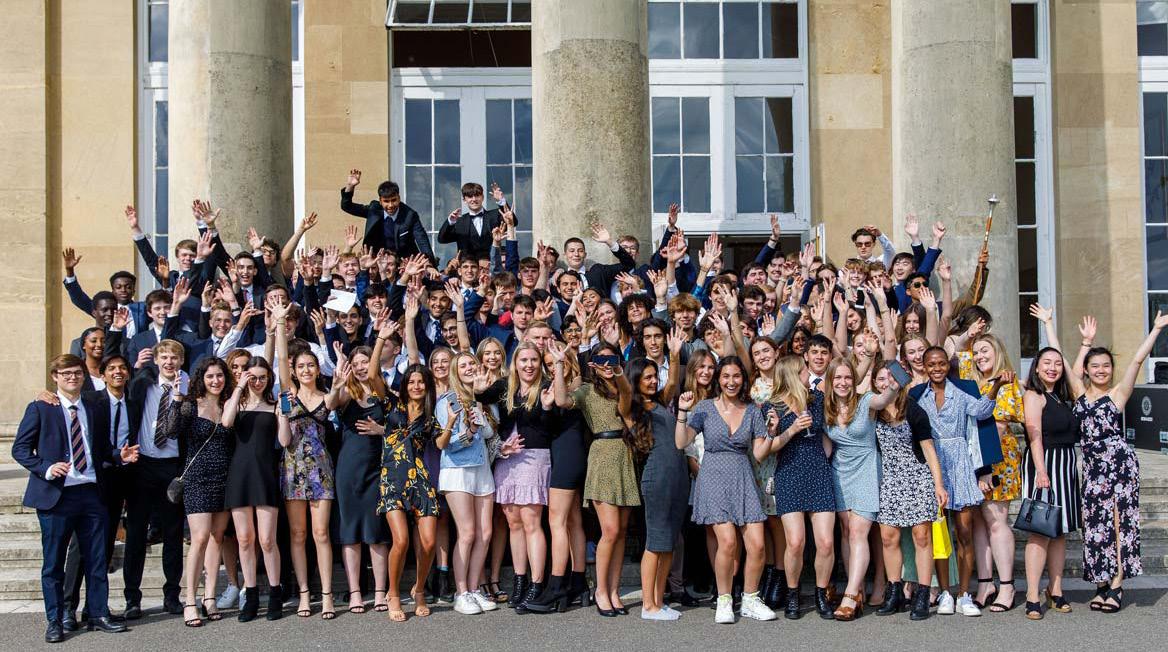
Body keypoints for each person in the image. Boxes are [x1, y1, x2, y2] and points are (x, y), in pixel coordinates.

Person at [12, 354, 135, 642]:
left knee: (97, 559)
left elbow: (101, 448)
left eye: (77, 373)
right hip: (57, 496)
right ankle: (56, 620)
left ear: (84, 376)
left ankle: (98, 614)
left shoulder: (93, 407)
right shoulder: (41, 408)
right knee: (54, 563)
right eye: (66, 373)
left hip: (91, 493)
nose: (72, 377)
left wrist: (119, 455)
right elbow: (20, 449)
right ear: (55, 377)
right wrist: (46, 467)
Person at [1072, 311, 1165, 612]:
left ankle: (1116, 586)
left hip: (1119, 466)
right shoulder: (1079, 394)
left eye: (1106, 366)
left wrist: (1156, 330)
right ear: (1087, 370)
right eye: (1095, 366)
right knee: (1093, 526)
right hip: (1092, 469)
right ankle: (1100, 583)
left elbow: (1137, 361)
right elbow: (1071, 371)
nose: (1101, 370)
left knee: (1117, 525)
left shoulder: (1117, 394)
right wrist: (1085, 342)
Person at [675, 356, 778, 624]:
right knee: (728, 542)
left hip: (742, 477)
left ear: (743, 379)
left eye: (736, 376)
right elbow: (681, 442)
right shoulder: (704, 408)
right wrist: (682, 412)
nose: (731, 382)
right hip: (713, 477)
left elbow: (758, 454)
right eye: (726, 376)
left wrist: (770, 433)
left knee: (757, 545)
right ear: (719, 379)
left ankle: (750, 599)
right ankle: (724, 599)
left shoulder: (753, 411)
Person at [910, 347, 1010, 618]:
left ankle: (964, 593)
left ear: (948, 365)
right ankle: (945, 592)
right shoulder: (917, 396)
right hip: (933, 465)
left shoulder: (960, 392)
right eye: (932, 364)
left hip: (961, 464)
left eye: (941, 363)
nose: (937, 368)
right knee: (940, 534)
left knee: (964, 532)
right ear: (925, 367)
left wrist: (997, 386)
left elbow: (982, 411)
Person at [476, 341, 558, 612]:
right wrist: (478, 390)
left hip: (535, 458)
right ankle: (520, 581)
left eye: (534, 360)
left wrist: (547, 408)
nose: (529, 365)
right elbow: (481, 398)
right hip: (507, 459)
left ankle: (536, 584)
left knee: (531, 522)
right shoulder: (505, 386)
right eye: (524, 360)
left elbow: (549, 427)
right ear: (515, 363)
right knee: (513, 523)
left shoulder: (546, 387)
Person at [756, 355, 837, 620]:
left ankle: (821, 594)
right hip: (789, 473)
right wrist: (791, 430)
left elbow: (826, 434)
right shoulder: (772, 407)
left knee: (826, 542)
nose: (808, 375)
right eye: (804, 371)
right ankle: (792, 594)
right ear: (792, 374)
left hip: (818, 473)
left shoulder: (817, 399)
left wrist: (825, 457)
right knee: (795, 542)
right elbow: (767, 450)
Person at [156, 357, 234, 626]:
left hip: (224, 478)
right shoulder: (191, 404)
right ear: (201, 379)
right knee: (199, 538)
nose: (216, 380)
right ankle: (190, 600)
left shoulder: (229, 404)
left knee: (217, 537)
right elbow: (170, 431)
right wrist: (177, 399)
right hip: (197, 478)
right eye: (210, 376)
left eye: (220, 375)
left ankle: (209, 597)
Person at [820, 356, 899, 621]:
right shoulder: (826, 409)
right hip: (839, 472)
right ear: (830, 381)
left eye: (848, 377)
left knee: (857, 532)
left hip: (866, 469)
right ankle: (858, 588)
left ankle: (851, 594)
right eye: (838, 378)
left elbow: (884, 399)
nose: (843, 382)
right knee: (845, 531)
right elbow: (826, 448)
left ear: (854, 380)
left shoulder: (866, 402)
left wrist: (894, 385)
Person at [1021, 304, 1086, 621]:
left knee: (1060, 531)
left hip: (1066, 465)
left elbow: (1073, 369)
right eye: (1046, 363)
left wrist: (1080, 341)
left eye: (1057, 364)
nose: (1053, 367)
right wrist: (1041, 472)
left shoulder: (1063, 395)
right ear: (1036, 367)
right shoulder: (1034, 395)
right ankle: (1032, 594)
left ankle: (1055, 589)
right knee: (1040, 531)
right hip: (1044, 464)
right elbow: (1034, 434)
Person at [870, 363, 948, 620]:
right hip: (889, 479)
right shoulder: (873, 411)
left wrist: (938, 485)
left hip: (917, 477)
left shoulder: (914, 410)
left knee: (922, 536)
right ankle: (894, 592)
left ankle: (923, 594)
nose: (886, 383)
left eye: (890, 378)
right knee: (888, 538)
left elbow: (928, 450)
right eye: (880, 379)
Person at [571, 344, 641, 617]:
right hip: (601, 454)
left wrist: (619, 372)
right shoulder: (587, 390)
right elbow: (564, 401)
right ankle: (600, 590)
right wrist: (564, 364)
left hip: (624, 454)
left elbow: (627, 398)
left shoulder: (622, 386)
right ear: (592, 364)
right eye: (601, 360)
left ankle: (613, 590)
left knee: (621, 531)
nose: (607, 364)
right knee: (610, 530)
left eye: (612, 359)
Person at [123, 339, 189, 619]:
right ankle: (132, 598)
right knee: (136, 534)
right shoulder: (143, 385)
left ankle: (171, 595)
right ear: (156, 360)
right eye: (164, 357)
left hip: (172, 466)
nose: (169, 362)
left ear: (181, 361)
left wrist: (181, 397)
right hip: (143, 465)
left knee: (172, 534)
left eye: (174, 358)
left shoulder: (187, 389)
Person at [435, 352, 506, 615]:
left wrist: (479, 400)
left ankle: (475, 589)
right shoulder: (448, 401)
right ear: (455, 371)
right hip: (458, 470)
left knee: (485, 533)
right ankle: (461, 592)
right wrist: (470, 432)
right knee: (467, 533)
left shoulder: (480, 399)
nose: (469, 368)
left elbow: (488, 432)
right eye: (463, 365)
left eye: (472, 364)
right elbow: (448, 443)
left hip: (482, 469)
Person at [275, 331, 337, 620]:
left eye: (311, 365)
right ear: (294, 371)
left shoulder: (327, 397)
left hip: (321, 470)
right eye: (300, 366)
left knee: (321, 533)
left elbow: (339, 393)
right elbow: (284, 441)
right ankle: (303, 593)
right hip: (293, 469)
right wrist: (279, 324)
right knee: (298, 534)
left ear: (317, 369)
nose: (306, 370)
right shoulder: (288, 396)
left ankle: (326, 595)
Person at [622, 358, 690, 621]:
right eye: (647, 377)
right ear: (635, 380)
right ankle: (648, 605)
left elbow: (671, 381)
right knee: (656, 542)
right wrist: (617, 373)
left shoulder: (660, 402)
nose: (653, 381)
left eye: (654, 376)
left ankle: (659, 601)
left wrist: (674, 354)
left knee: (669, 542)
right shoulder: (630, 408)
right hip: (657, 478)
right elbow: (624, 390)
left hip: (678, 476)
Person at [220, 355, 287, 622]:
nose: (257, 382)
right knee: (245, 539)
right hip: (240, 474)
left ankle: (275, 592)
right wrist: (239, 387)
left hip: (265, 474)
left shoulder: (275, 405)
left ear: (269, 379)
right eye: (253, 377)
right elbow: (226, 422)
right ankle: (250, 594)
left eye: (262, 377)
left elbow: (284, 441)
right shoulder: (236, 402)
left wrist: (284, 415)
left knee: (267, 540)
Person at [327, 344, 392, 614]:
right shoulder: (347, 392)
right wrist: (336, 384)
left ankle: (379, 592)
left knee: (376, 532)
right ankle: (355, 592)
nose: (361, 367)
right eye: (356, 364)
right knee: (350, 532)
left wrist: (381, 430)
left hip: (376, 469)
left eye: (365, 362)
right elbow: (330, 404)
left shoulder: (383, 393)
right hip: (349, 470)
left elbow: (399, 428)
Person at [962, 334, 1025, 612]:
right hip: (974, 459)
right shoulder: (972, 381)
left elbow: (997, 428)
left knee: (996, 521)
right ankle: (986, 583)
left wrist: (984, 469)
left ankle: (1007, 585)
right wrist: (969, 337)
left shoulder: (1006, 382)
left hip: (996, 459)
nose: (979, 356)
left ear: (997, 351)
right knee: (978, 523)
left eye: (985, 350)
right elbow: (959, 354)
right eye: (976, 352)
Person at [339, 169, 435, 263]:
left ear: (399, 198)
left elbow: (422, 241)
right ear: (380, 201)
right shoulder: (374, 210)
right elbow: (347, 206)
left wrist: (430, 265)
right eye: (386, 201)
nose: (390, 205)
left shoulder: (410, 215)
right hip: (375, 261)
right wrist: (350, 186)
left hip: (402, 263)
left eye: (394, 200)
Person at [438, 182, 516, 260]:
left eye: (477, 195)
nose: (474, 199)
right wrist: (450, 221)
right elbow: (442, 239)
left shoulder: (495, 215)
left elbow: (514, 222)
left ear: (483, 197)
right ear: (464, 200)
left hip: (492, 264)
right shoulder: (459, 222)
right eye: (470, 196)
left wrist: (501, 201)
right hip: (468, 266)